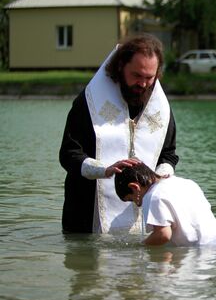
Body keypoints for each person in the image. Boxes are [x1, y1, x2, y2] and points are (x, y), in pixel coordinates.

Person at [59, 34, 179, 234]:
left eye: (149, 78)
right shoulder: (89, 103)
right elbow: (68, 154)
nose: (142, 84)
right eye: (136, 75)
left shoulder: (160, 109)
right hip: (85, 215)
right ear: (121, 66)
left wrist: (159, 176)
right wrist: (104, 169)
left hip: (141, 215)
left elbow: (169, 155)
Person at [114, 162, 216, 247]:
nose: (137, 204)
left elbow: (162, 235)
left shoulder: (153, 196)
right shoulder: (187, 183)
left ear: (135, 187)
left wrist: (139, 247)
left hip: (197, 253)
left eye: (132, 199)